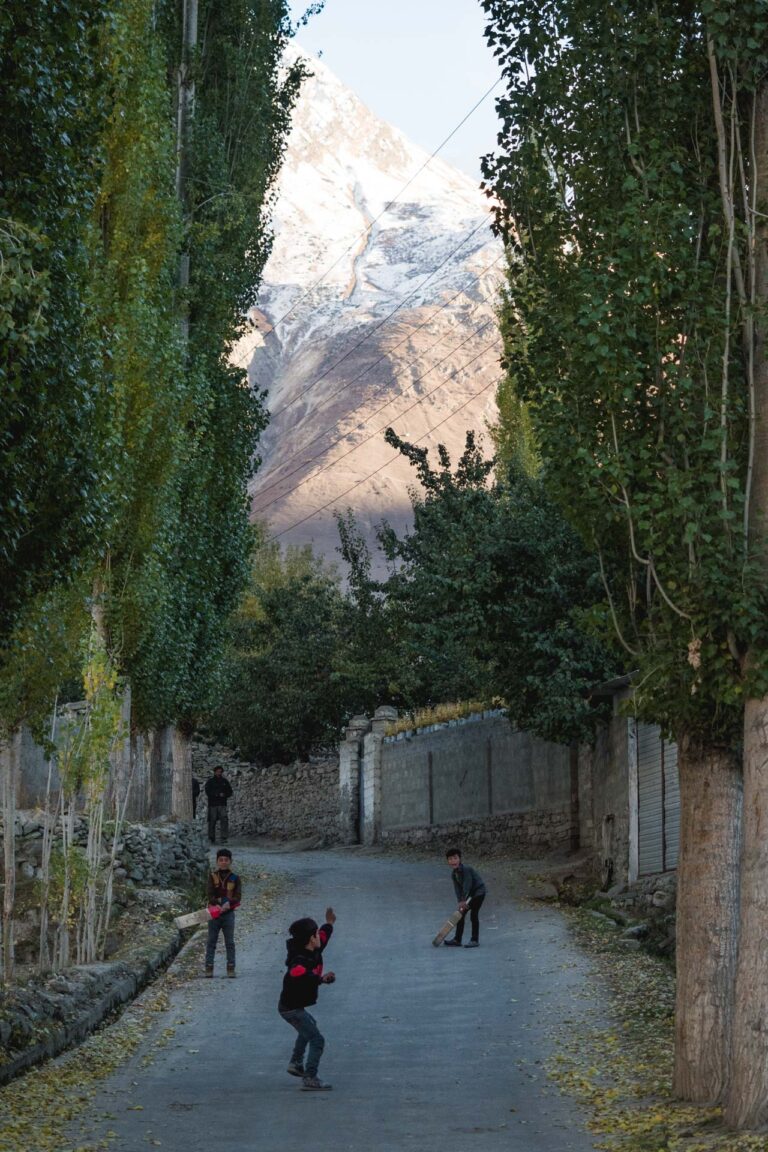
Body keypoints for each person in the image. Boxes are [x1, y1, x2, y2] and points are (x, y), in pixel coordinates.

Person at [278, 908, 337, 1091]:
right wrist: (320, 979)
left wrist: (329, 923)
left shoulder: (314, 947)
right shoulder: (299, 960)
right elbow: (297, 973)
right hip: (290, 1009)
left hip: (293, 1006)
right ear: (311, 939)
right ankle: (310, 1078)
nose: (319, 936)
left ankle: (296, 1063)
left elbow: (324, 935)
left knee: (309, 1027)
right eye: (315, 934)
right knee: (317, 1039)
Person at [205, 848, 241, 977]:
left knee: (229, 942)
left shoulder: (235, 878)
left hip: (228, 914)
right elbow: (210, 895)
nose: (224, 862)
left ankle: (231, 968)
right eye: (221, 860)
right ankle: (209, 968)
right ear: (217, 862)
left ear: (230, 861)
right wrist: (220, 903)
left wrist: (228, 904)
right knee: (211, 941)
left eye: (226, 860)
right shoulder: (212, 876)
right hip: (214, 914)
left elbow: (238, 897)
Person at [443, 847, 486, 948]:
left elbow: (467, 885)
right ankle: (457, 940)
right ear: (447, 861)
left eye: (455, 858)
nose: (453, 861)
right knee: (460, 914)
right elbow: (457, 889)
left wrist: (463, 900)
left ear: (460, 859)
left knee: (474, 914)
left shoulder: (466, 869)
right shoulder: (454, 874)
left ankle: (474, 940)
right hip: (469, 895)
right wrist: (460, 901)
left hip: (478, 892)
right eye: (450, 859)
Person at [204, 765, 233, 843]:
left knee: (224, 819)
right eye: (217, 772)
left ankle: (224, 837)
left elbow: (230, 791)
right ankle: (211, 837)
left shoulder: (224, 781)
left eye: (220, 772)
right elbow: (207, 791)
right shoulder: (210, 782)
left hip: (222, 804)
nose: (219, 773)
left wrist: (224, 795)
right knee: (212, 820)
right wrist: (216, 794)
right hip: (213, 804)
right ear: (214, 772)